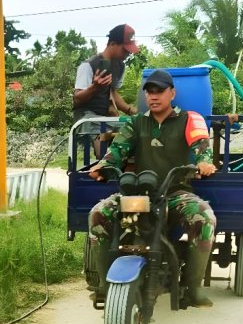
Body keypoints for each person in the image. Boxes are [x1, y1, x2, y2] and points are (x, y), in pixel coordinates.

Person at [87, 69, 217, 308]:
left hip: (174, 193)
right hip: (138, 193)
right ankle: (105, 287)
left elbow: (201, 145)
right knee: (98, 214)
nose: (153, 96)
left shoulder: (189, 118)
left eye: (159, 91)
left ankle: (192, 288)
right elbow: (117, 151)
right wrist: (103, 166)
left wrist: (203, 162)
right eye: (149, 92)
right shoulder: (135, 122)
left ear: (172, 93)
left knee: (205, 219)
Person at [73, 23, 140, 157]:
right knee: (103, 129)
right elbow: (77, 99)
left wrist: (131, 110)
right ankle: (103, 162)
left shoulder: (120, 66)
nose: (128, 53)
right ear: (112, 44)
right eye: (125, 49)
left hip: (105, 117)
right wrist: (94, 87)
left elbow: (112, 92)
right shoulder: (88, 66)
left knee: (132, 127)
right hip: (86, 117)